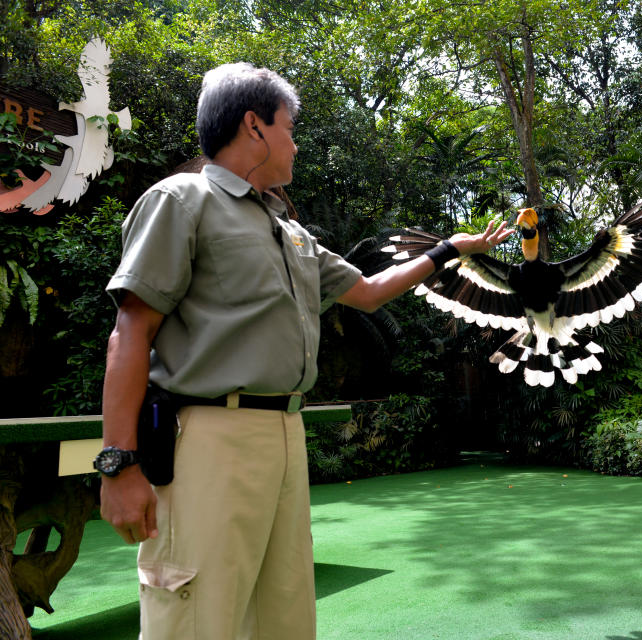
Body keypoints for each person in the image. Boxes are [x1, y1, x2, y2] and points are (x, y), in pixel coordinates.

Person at [96, 62, 512, 640]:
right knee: (195, 618)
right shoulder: (182, 200)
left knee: (285, 615)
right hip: (209, 437)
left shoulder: (289, 229)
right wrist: (118, 464)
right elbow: (130, 332)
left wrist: (446, 251)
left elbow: (367, 293)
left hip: (286, 434)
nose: (296, 143)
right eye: (289, 127)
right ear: (254, 126)